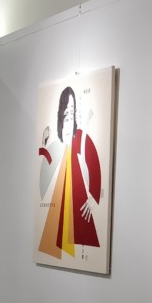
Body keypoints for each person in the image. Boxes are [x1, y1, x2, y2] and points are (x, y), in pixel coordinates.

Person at [37, 86, 101, 258]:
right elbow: (47, 163)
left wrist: (94, 195)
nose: (69, 119)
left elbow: (94, 162)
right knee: (56, 238)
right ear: (61, 117)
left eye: (72, 113)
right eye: (66, 114)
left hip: (78, 201)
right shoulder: (59, 144)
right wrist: (43, 142)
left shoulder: (80, 137)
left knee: (78, 235)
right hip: (58, 200)